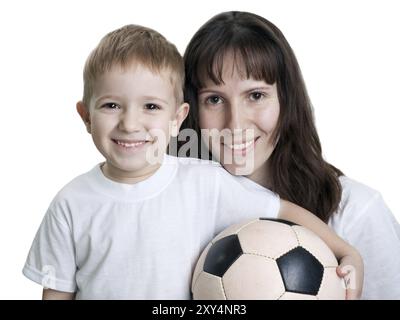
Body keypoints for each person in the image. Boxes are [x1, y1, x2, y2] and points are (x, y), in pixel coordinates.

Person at [22, 24, 362, 300]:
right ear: (85, 116)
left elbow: (281, 210)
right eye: (111, 105)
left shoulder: (204, 183)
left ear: (177, 118)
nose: (130, 123)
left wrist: (346, 251)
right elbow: (57, 292)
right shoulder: (70, 203)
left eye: (151, 107)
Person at [180, 11, 400, 300]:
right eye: (215, 99)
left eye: (256, 95)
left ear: (286, 99)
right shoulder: (176, 209)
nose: (235, 124)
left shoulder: (356, 213)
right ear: (190, 110)